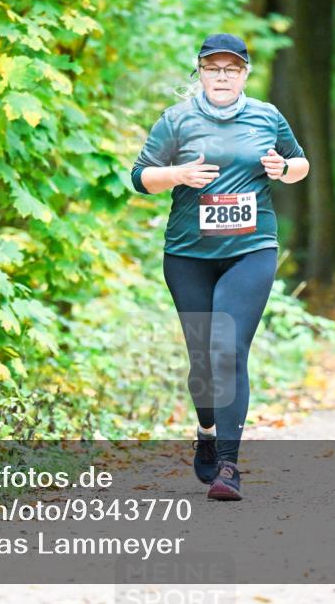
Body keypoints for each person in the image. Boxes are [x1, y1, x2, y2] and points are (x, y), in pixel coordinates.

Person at [130, 33, 310, 501]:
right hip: (188, 254)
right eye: (214, 68)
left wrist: (282, 170)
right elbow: (140, 177)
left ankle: (229, 466)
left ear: (245, 73)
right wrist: (178, 175)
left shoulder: (266, 116)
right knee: (202, 360)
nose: (223, 76)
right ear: (201, 72)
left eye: (232, 68)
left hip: (252, 249)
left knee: (228, 347)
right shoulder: (177, 119)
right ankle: (207, 430)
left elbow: (300, 163)